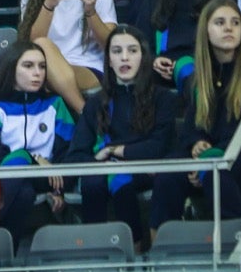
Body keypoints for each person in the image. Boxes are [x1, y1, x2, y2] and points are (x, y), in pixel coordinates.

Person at [150, 0, 241, 228]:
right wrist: (196, 143)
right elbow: (190, 129)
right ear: (205, 31)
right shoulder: (202, 76)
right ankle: (162, 251)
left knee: (212, 171)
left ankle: (234, 247)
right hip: (213, 158)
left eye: (235, 23)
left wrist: (212, 156)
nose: (229, 28)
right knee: (170, 170)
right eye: (220, 22)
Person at [64, 26, 178, 248]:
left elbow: (159, 147)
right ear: (108, 59)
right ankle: (96, 252)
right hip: (112, 170)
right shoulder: (96, 103)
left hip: (148, 171)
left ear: (143, 56)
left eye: (132, 50)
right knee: (95, 180)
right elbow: (75, 156)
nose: (124, 57)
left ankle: (134, 250)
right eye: (116, 51)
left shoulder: (162, 98)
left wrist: (114, 151)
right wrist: (101, 160)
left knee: (119, 177)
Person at [0, 43, 76, 237]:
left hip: (47, 179)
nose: (37, 73)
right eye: (28, 66)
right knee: (24, 192)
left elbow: (68, 152)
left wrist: (59, 190)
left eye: (42, 66)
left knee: (23, 176)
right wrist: (33, 159)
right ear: (11, 69)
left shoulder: (56, 104)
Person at [17, 0, 115, 113]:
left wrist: (90, 11)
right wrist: (48, 5)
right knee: (42, 46)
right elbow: (30, 45)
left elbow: (110, 46)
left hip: (88, 67)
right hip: (42, 70)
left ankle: (83, 113)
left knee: (42, 57)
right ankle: (85, 114)